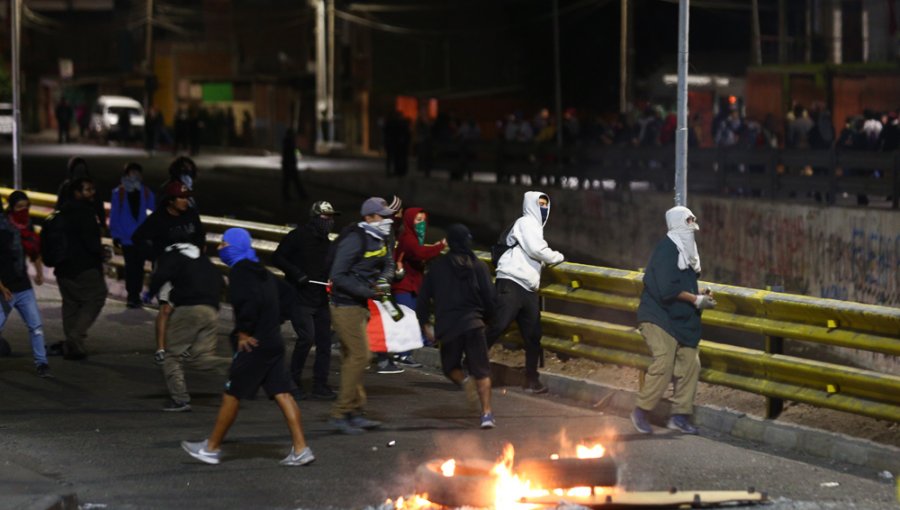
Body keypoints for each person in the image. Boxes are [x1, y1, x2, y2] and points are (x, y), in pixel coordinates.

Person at [182, 228, 314, 466]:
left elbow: (248, 301)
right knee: (282, 393)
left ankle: (211, 449)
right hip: (272, 341)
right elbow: (287, 294)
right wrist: (274, 320)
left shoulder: (241, 272)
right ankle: (301, 448)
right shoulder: (260, 270)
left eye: (223, 244)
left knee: (231, 395)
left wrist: (245, 330)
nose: (220, 248)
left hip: (254, 344)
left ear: (234, 246)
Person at [630, 206, 716, 436]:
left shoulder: (687, 251)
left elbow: (684, 283)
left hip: (679, 318)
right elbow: (668, 289)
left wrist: (701, 293)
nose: (692, 225)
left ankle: (679, 416)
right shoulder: (667, 250)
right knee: (665, 361)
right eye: (688, 220)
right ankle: (642, 410)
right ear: (677, 223)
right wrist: (696, 300)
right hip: (658, 316)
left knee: (691, 363)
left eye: (693, 220)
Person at [327, 197, 396, 434]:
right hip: (345, 306)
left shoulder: (380, 237)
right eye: (382, 216)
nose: (387, 220)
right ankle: (340, 413)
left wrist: (384, 281)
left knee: (352, 358)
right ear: (368, 217)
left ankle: (354, 412)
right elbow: (338, 274)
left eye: (388, 216)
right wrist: (369, 291)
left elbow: (388, 263)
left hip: (361, 304)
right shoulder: (355, 239)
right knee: (360, 356)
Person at [417, 224, 496, 429]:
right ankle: (486, 414)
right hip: (473, 324)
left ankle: (464, 381)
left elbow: (423, 298)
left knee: (450, 367)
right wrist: (487, 320)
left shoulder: (437, 267)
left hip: (449, 327)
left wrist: (425, 324)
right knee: (482, 370)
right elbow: (489, 297)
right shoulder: (478, 266)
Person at [485, 191, 564, 394]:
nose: (544, 208)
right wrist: (557, 257)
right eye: (540, 204)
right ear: (531, 205)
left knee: (532, 336)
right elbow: (537, 250)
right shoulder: (526, 222)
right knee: (497, 326)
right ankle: (471, 363)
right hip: (511, 282)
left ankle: (531, 379)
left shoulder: (534, 227)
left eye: (546, 204)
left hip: (527, 288)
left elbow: (533, 252)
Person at [132, 181, 206, 372]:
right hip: (167, 269)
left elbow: (200, 236)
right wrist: (155, 256)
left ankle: (184, 345)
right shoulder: (158, 219)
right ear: (171, 201)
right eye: (181, 197)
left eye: (187, 197)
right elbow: (138, 238)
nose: (186, 201)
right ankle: (161, 348)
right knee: (166, 308)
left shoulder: (191, 214)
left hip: (189, 268)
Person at [148, 239, 227, 412]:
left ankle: (180, 400)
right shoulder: (204, 261)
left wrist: (150, 292)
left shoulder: (172, 254)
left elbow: (161, 275)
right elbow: (222, 282)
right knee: (201, 358)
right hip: (211, 311)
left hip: (189, 310)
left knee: (172, 356)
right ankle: (237, 366)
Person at [272, 201, 339, 400]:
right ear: (315, 216)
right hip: (299, 297)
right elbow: (277, 257)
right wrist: (296, 274)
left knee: (325, 342)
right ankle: (293, 381)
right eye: (325, 217)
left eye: (331, 218)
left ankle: (320, 384)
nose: (328, 222)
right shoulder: (298, 236)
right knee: (306, 338)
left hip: (319, 299)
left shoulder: (328, 243)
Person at [381, 207, 445, 370]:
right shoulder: (409, 238)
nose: (421, 224)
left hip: (412, 287)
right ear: (410, 221)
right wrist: (439, 247)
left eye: (423, 220)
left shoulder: (416, 238)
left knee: (415, 318)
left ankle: (415, 347)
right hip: (403, 287)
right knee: (407, 320)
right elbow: (420, 253)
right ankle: (402, 354)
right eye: (418, 220)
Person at [54, 178, 109, 360]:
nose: (92, 193)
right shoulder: (85, 213)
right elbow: (91, 243)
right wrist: (101, 252)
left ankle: (73, 347)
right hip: (84, 267)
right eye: (88, 190)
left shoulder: (59, 213)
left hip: (62, 267)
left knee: (70, 303)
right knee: (97, 295)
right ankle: (75, 336)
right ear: (77, 193)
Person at [0, 192, 51, 377]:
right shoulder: (2, 226)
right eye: (19, 207)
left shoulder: (27, 225)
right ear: (11, 208)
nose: (24, 210)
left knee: (36, 326)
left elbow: (34, 251)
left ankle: (42, 363)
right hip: (5, 289)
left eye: (26, 206)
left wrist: (38, 272)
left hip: (23, 286)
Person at [109, 163, 155, 308]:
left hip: (141, 237)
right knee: (130, 267)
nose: (134, 176)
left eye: (137, 173)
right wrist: (115, 235)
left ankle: (136, 295)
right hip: (126, 237)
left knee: (139, 266)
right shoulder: (119, 193)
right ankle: (132, 296)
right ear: (126, 174)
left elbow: (153, 214)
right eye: (131, 172)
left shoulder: (146, 192)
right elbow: (114, 215)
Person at [281, 128, 308, 201]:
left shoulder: (288, 141)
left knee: (290, 181)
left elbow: (294, 150)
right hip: (289, 164)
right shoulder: (289, 142)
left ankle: (288, 195)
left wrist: (298, 155)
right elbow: (291, 152)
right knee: (293, 181)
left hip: (288, 164)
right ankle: (301, 195)